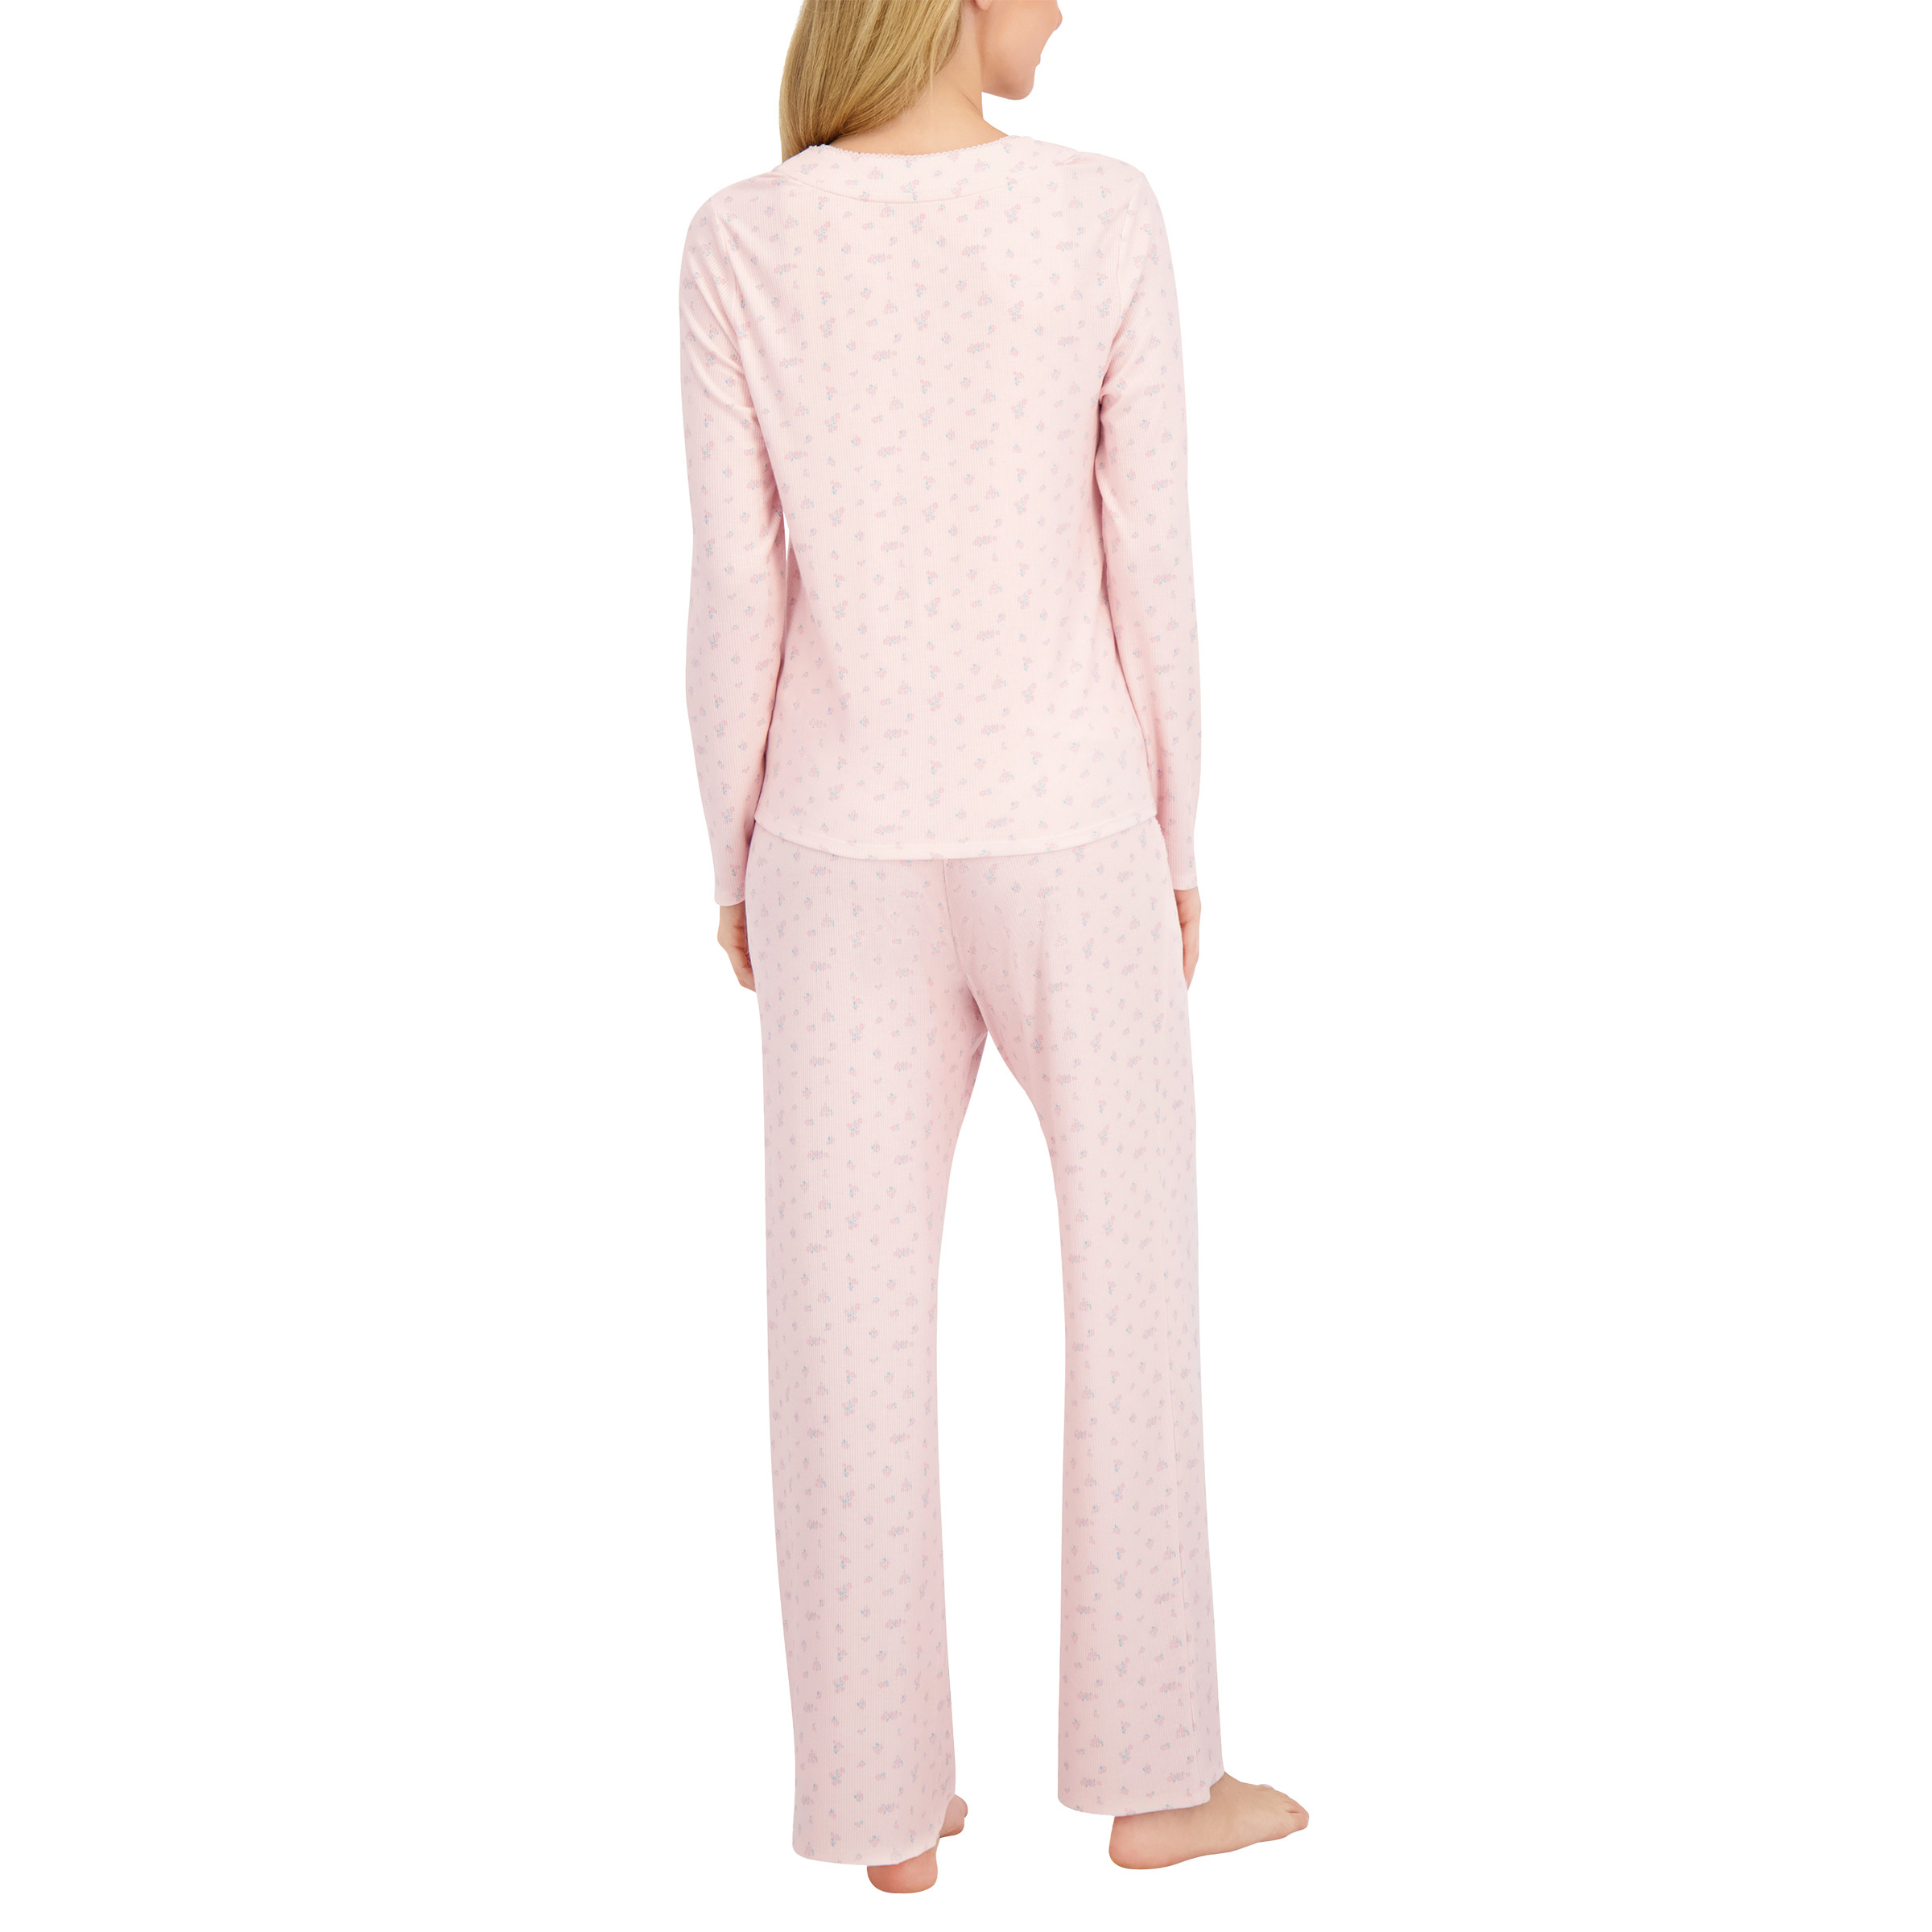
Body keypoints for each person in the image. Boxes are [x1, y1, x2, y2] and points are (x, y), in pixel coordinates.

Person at [678, 0, 1307, 1892]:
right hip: (1074, 826)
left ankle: (881, 1809)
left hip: (832, 843)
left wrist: (730, 850)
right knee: (1134, 1295)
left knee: (842, 1324)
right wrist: (1180, 830)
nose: (1065, 8)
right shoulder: (1103, 213)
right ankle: (1155, 1781)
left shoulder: (740, 239)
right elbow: (1150, 559)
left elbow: (735, 584)